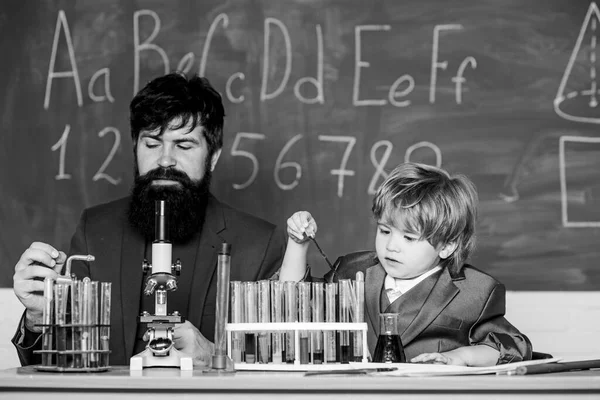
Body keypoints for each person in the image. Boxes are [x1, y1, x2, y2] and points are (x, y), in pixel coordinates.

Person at [12, 72, 286, 366]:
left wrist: (216, 356)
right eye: (152, 144)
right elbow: (59, 365)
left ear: (214, 156)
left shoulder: (259, 245)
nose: (165, 160)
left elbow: (278, 366)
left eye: (183, 146)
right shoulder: (95, 230)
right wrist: (40, 317)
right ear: (135, 146)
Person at [279, 162, 532, 366]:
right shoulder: (351, 270)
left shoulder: (476, 291)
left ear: (447, 246)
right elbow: (292, 304)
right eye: (385, 231)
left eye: (409, 238)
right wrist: (297, 243)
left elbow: (512, 346)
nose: (391, 246)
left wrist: (460, 357)